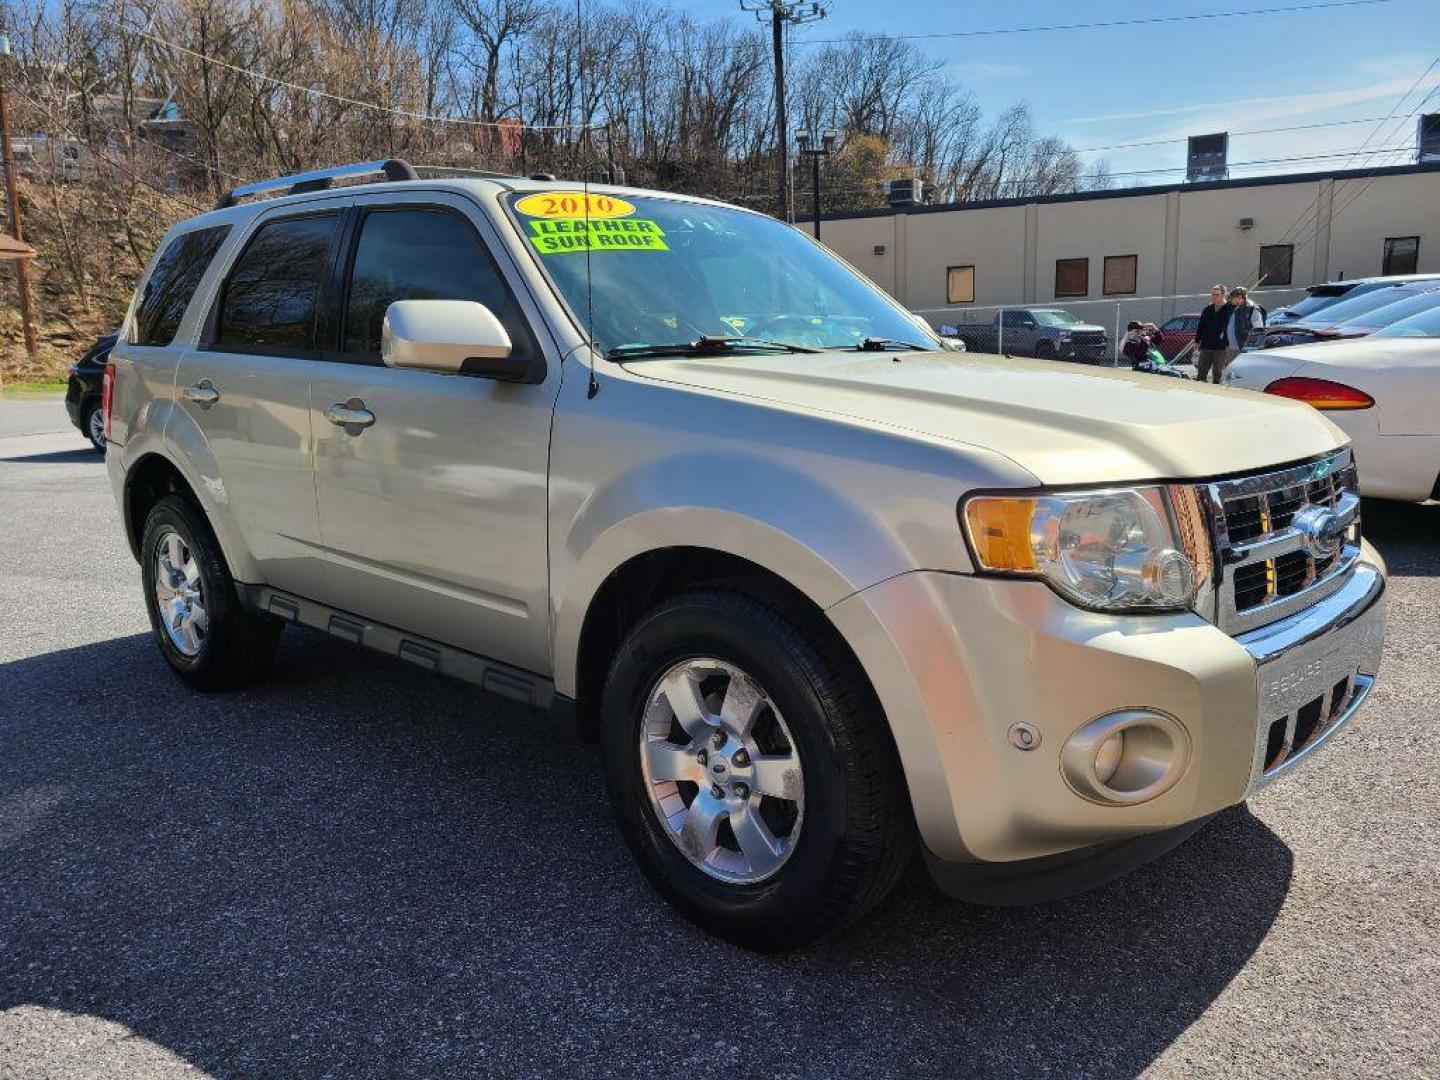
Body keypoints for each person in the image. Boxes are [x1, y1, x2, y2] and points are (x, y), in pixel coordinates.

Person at [1193, 284, 1232, 384]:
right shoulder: (1208, 309)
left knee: (1217, 374)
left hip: (1221, 347)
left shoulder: (1230, 309)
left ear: (1224, 295)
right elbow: (1201, 326)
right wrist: (1197, 341)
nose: (1214, 297)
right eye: (1212, 294)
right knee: (1201, 373)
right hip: (1206, 346)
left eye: (1217, 295)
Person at [1226, 286, 1265, 359]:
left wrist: (1251, 349)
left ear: (1240, 297)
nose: (1231, 300)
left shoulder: (1252, 309)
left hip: (1244, 349)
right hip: (1232, 349)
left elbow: (1258, 331)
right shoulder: (1235, 307)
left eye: (1233, 298)